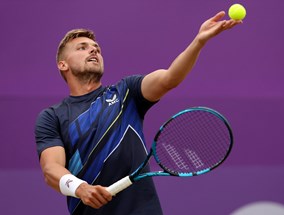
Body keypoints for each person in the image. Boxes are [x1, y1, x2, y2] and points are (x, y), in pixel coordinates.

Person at [35, 11, 241, 215]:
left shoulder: (126, 92)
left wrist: (198, 42)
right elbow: (51, 169)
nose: (93, 51)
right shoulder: (53, 116)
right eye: (82, 48)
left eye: (96, 48)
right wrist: (80, 188)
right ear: (63, 65)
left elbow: (169, 78)